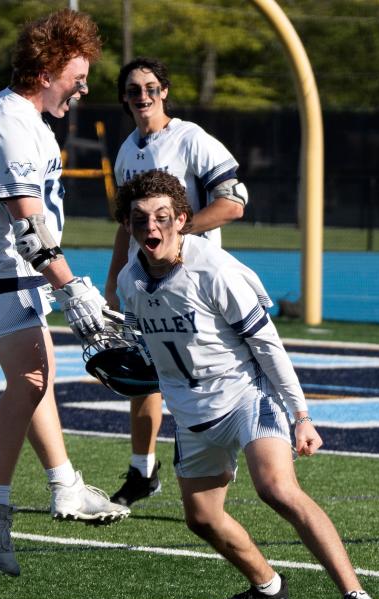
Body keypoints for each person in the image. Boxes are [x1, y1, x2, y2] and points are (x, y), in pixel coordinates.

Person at [114, 170, 379, 599]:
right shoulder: (130, 280)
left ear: (182, 219)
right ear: (128, 225)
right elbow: (148, 348)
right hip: (192, 412)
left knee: (276, 489)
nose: (151, 228)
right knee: (202, 519)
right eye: (140, 220)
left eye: (162, 217)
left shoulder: (215, 270)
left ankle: (356, 595)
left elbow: (268, 346)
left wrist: (302, 415)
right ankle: (267, 586)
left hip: (246, 395)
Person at [0, 9, 129, 577]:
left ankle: (64, 485)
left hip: (17, 268)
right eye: (78, 74)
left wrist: (61, 280)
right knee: (29, 379)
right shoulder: (5, 122)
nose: (84, 85)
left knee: (41, 374)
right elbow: (27, 225)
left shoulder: (29, 120)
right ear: (49, 68)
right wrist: (72, 285)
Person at [103, 57, 248, 507]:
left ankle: (232, 454)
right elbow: (126, 225)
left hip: (192, 281)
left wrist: (176, 233)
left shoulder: (191, 138)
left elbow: (233, 204)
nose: (142, 96)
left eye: (150, 87)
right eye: (132, 90)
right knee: (144, 373)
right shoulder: (128, 149)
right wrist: (113, 279)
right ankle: (142, 470)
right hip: (144, 280)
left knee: (200, 374)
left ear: (164, 91)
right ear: (124, 98)